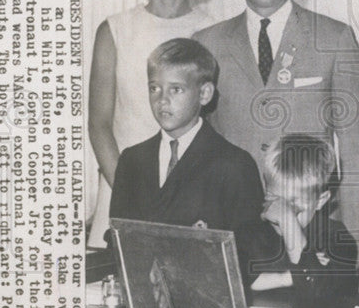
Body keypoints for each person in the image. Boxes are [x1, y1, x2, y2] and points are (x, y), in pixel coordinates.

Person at [194, 0, 359, 274]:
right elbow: (200, 151)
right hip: (236, 234)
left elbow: (358, 153)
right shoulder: (207, 43)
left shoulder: (334, 39)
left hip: (313, 234)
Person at [88, 0, 215, 247]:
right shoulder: (115, 30)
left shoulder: (213, 31)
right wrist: (131, 194)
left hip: (191, 202)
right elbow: (99, 124)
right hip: (124, 195)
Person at [109, 38, 263, 232]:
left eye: (176, 89)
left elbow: (249, 250)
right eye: (154, 88)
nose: (162, 100)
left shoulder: (233, 164)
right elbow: (118, 240)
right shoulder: (131, 160)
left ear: (204, 94)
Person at [241, 134, 359, 308]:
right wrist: (287, 277)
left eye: (294, 207)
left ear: (321, 200)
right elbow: (239, 282)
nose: (280, 214)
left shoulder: (335, 238)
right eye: (274, 200)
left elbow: (316, 294)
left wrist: (290, 225)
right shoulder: (253, 233)